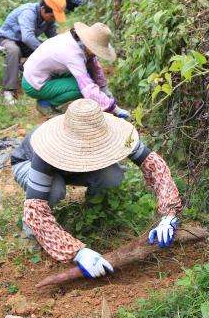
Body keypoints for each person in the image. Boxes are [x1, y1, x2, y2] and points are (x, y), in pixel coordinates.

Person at [11, 98, 182, 277]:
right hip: (28, 163)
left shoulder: (119, 133)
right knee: (55, 189)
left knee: (112, 176)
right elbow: (36, 209)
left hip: (75, 164)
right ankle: (31, 234)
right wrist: (76, 252)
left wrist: (169, 214)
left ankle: (93, 210)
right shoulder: (46, 148)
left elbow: (154, 166)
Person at [21, 21, 130, 118]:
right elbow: (87, 88)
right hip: (33, 83)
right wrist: (112, 108)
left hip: (45, 73)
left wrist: (106, 93)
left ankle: (50, 97)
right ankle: (45, 103)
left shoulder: (79, 42)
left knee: (89, 77)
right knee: (80, 88)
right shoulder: (73, 54)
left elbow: (95, 69)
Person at [0, 0, 67, 105]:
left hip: (22, 43)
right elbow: (28, 38)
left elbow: (53, 38)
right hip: (6, 40)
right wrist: (44, 51)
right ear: (43, 9)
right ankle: (8, 91)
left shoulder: (48, 20)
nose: (53, 19)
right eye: (52, 16)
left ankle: (26, 71)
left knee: (47, 46)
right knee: (14, 51)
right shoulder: (28, 12)